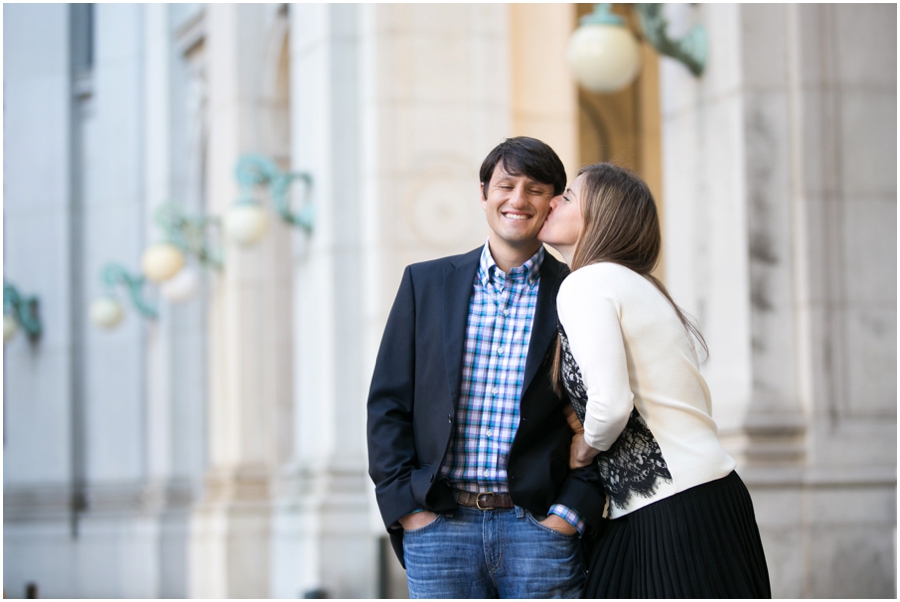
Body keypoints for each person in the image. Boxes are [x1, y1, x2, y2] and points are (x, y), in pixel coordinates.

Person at [367, 137, 606, 599]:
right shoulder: (426, 284)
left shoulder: (579, 292)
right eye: (506, 185)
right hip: (440, 528)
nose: (518, 199)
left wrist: (568, 516)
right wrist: (408, 511)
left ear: (554, 204)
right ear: (483, 194)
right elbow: (388, 403)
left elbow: (605, 409)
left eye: (535, 189)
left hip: (538, 530)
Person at [538, 162, 771, 598]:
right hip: (689, 500)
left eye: (568, 196)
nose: (553, 200)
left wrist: (583, 448)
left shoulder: (586, 283)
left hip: (672, 510)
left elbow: (611, 406)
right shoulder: (636, 284)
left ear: (601, 217)